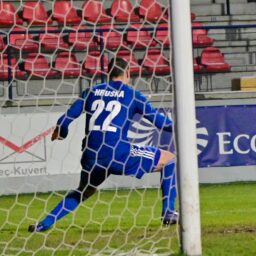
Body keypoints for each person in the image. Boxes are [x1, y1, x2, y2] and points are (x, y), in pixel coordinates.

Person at [28, 58, 177, 233]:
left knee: (84, 191)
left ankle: (44, 224)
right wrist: (182, 123)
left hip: (91, 157)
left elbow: (64, 121)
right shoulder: (133, 94)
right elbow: (161, 123)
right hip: (118, 154)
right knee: (169, 160)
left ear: (109, 73)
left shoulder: (91, 91)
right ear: (127, 73)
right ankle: (168, 212)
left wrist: (62, 133)